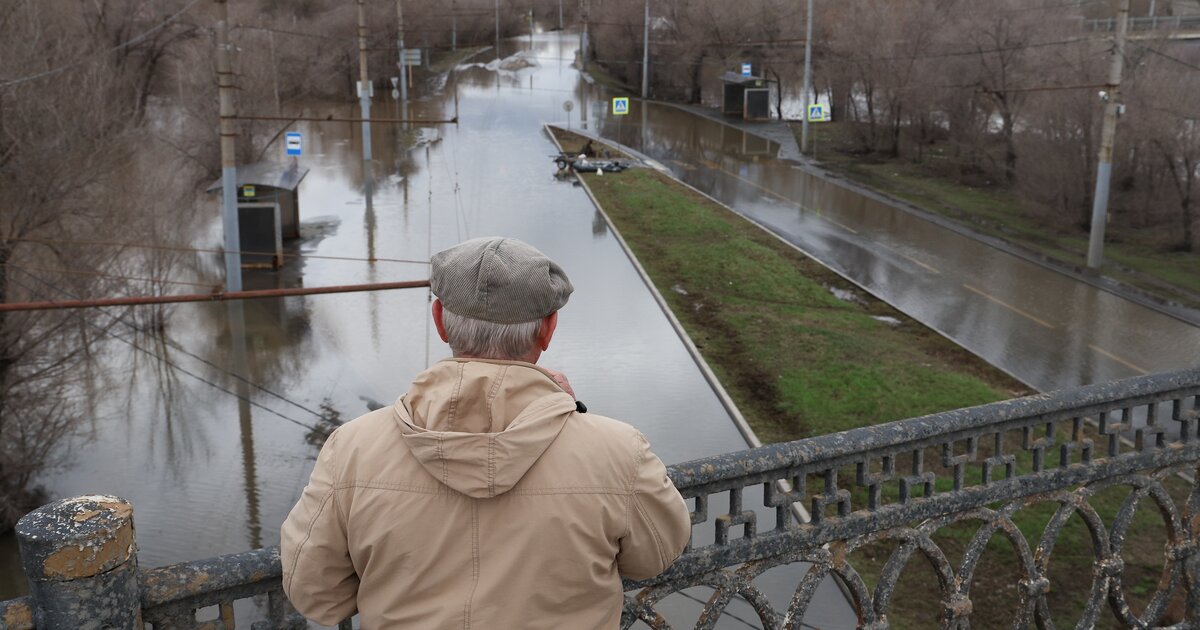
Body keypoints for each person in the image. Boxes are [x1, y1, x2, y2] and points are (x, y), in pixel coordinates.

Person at [281, 237, 692, 629]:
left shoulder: (352, 447)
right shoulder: (618, 451)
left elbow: (318, 596)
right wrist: (575, 418)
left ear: (439, 320)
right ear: (548, 329)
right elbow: (655, 556)